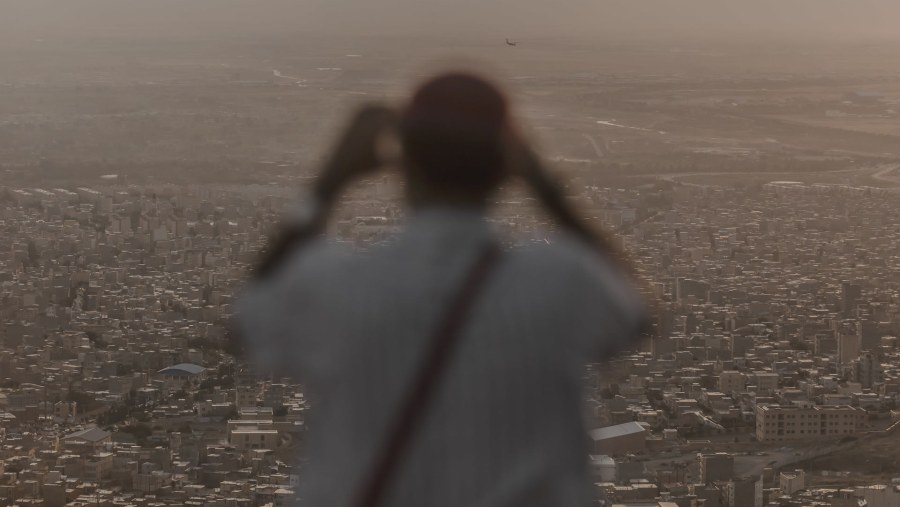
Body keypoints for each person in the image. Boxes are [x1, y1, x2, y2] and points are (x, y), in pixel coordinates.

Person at [236, 72, 648, 507]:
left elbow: (250, 322)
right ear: (504, 168)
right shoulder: (562, 282)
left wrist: (329, 181)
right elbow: (635, 313)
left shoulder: (333, 285)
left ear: (404, 165)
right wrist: (547, 189)